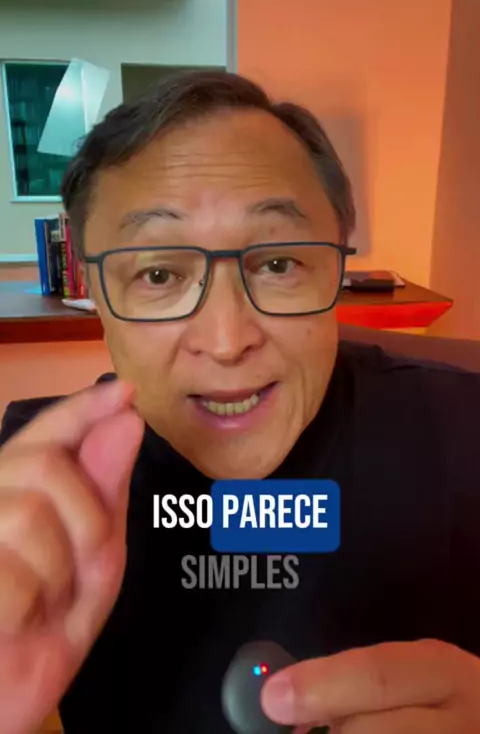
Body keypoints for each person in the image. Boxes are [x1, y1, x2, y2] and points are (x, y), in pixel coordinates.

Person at [0, 70, 479, 734]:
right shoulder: (35, 492)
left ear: (338, 265)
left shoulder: (462, 432)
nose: (227, 342)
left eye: (279, 264)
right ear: (98, 300)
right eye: (159, 274)